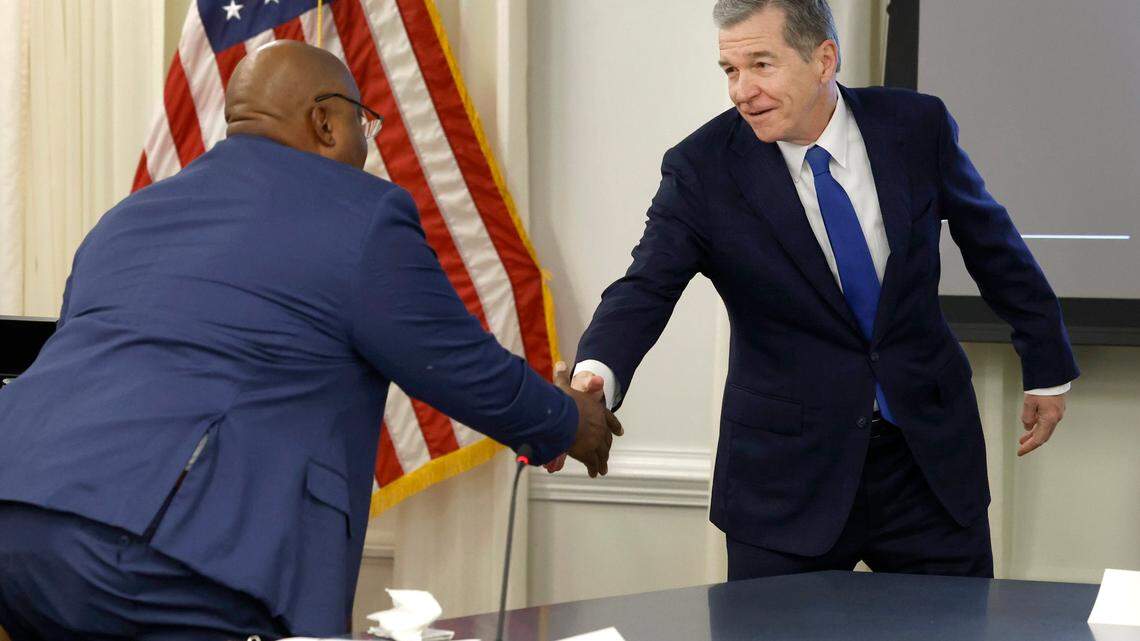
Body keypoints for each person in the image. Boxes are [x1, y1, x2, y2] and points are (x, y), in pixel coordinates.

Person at [0, 41, 621, 641]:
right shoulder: (359, 213)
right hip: (171, 552)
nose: (365, 151)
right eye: (362, 126)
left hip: (17, 517)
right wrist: (570, 421)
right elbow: (455, 364)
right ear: (325, 121)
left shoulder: (126, 217)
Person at [556, 0, 1078, 580]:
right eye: (730, 70)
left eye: (761, 64)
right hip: (784, 482)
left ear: (823, 59)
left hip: (928, 468)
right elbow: (645, 288)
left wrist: (1046, 365)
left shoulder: (915, 125)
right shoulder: (702, 168)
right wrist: (594, 377)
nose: (741, 90)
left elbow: (994, 246)